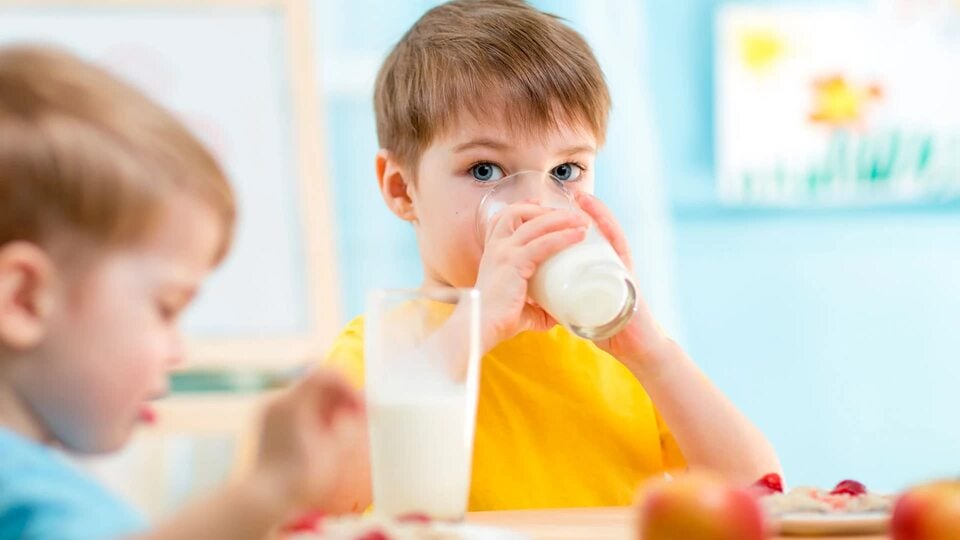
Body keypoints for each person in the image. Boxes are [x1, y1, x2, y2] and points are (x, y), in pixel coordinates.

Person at [324, 0, 782, 511]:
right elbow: (326, 497)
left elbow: (760, 494)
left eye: (565, 172)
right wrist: (474, 329)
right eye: (485, 171)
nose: (535, 204)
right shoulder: (383, 350)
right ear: (402, 190)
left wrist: (652, 354)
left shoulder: (622, 357)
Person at [0, 45, 363, 539]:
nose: (178, 351)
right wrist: (266, 488)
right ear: (22, 299)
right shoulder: (40, 502)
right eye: (165, 309)